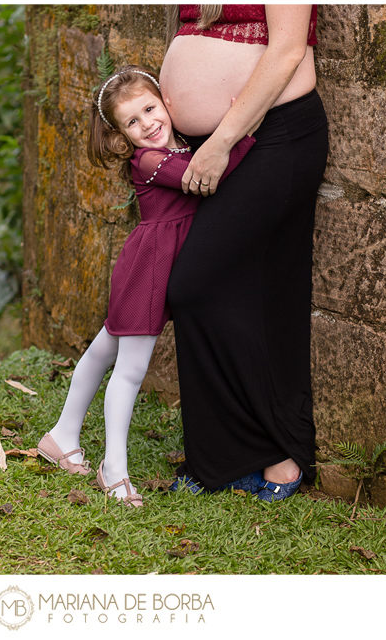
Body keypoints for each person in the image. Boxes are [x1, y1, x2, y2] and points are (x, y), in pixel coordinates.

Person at [37, 65, 256, 507]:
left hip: (155, 264)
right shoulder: (152, 161)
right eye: (132, 122)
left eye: (150, 109)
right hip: (149, 270)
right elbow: (203, 175)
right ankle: (113, 468)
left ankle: (61, 436)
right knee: (130, 369)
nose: (147, 124)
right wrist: (243, 133)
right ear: (122, 136)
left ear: (166, 103)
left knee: (103, 350)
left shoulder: (180, 145)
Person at [160, 5, 329, 501]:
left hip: (273, 135)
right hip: (213, 142)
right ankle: (222, 459)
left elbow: (287, 50)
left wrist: (220, 141)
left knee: (197, 286)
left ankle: (281, 453)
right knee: (231, 293)